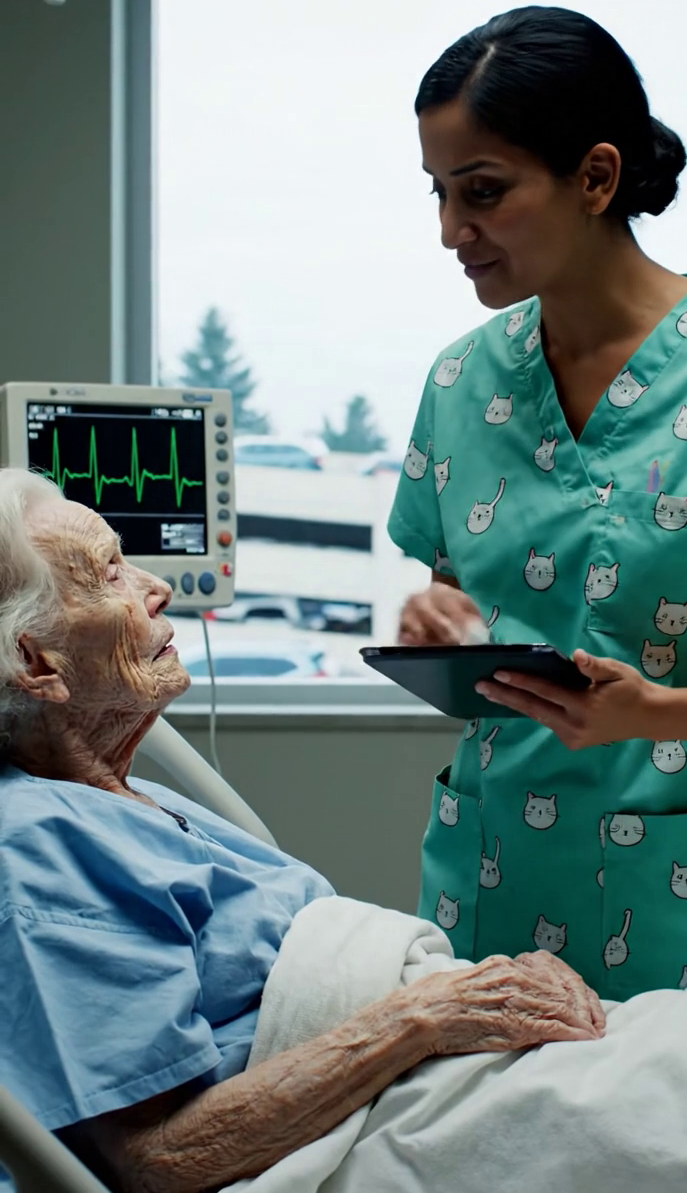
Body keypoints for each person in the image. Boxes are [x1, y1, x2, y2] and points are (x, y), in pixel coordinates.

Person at [0, 467, 604, 1193]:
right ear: (36, 663)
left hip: (410, 1070)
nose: (154, 587)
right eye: (109, 574)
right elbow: (156, 1159)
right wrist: (428, 1015)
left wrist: (459, 1001)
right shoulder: (39, 849)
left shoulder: (119, 797)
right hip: (378, 1117)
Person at [389, 4, 687, 1000]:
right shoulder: (458, 385)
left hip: (685, 907)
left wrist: (657, 712)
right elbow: (464, 588)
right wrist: (438, 619)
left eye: (482, 191)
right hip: (490, 885)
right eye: (439, 194)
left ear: (596, 177)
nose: (453, 231)